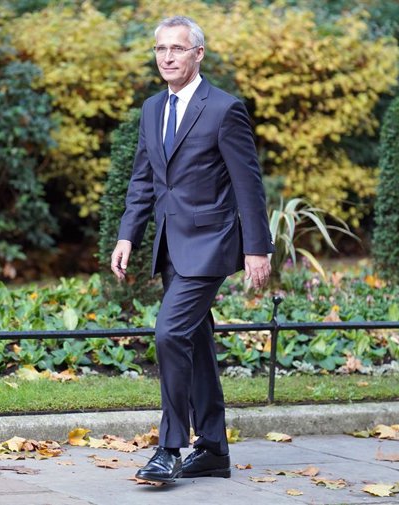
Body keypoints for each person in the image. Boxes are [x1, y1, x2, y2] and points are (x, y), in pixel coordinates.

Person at [110, 16, 274, 484]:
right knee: (196, 342)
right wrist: (127, 235)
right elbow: (143, 180)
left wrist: (256, 249)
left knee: (168, 333)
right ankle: (215, 448)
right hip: (169, 247)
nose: (167, 57)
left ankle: (169, 448)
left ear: (198, 54)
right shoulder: (150, 109)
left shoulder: (224, 109)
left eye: (177, 49)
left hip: (210, 244)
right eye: (161, 49)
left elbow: (249, 186)